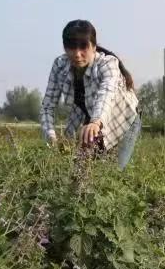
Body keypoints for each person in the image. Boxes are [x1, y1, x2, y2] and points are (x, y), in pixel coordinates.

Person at [40, 19, 141, 169]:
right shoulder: (60, 66)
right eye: (71, 47)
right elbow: (47, 106)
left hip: (125, 121)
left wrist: (95, 122)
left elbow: (105, 95)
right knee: (80, 169)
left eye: (83, 47)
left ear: (93, 47)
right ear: (65, 47)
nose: (77, 54)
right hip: (93, 120)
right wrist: (51, 136)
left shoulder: (108, 64)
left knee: (116, 172)